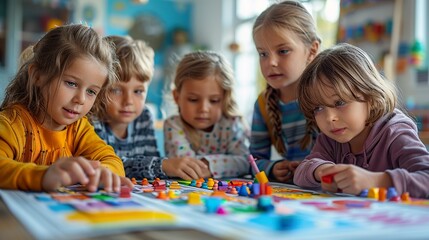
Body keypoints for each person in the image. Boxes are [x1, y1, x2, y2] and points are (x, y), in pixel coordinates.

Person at [0, 24, 133, 192]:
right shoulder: (12, 124)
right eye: (71, 83)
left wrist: (102, 172)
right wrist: (43, 176)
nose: (81, 99)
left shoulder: (79, 129)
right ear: (37, 76)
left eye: (91, 91)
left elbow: (111, 159)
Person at [294, 43, 429, 198]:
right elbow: (301, 172)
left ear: (370, 96)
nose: (330, 118)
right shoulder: (330, 139)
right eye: (318, 108)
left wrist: (378, 181)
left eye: (340, 103)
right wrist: (322, 170)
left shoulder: (395, 132)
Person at [250, 0, 321, 183]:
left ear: (311, 50)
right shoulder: (263, 104)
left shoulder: (328, 98)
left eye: (283, 51)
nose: (271, 62)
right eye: (263, 54)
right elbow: (253, 160)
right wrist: (273, 168)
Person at [163, 50, 250, 179]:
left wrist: (210, 165)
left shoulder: (231, 124)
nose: (203, 109)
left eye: (214, 101)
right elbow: (187, 166)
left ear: (225, 99)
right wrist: (225, 163)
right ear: (177, 97)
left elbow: (246, 162)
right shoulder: (174, 125)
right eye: (193, 99)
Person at [91, 35, 167, 180]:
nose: (129, 101)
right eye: (117, 90)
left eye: (138, 91)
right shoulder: (92, 118)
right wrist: (163, 166)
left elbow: (153, 162)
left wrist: (161, 166)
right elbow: (104, 165)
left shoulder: (144, 116)